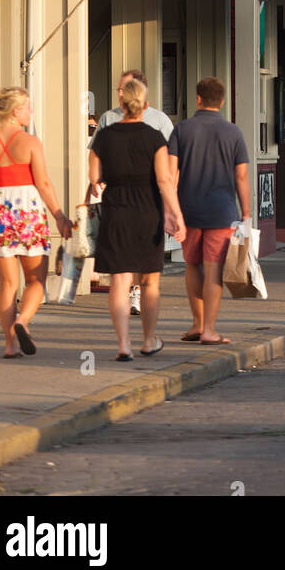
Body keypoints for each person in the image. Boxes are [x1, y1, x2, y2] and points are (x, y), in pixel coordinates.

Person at [0, 88, 72, 358]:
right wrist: (59, 215)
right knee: (36, 279)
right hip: (28, 210)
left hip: (0, 210)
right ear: (16, 111)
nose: (30, 112)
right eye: (28, 108)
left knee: (7, 284)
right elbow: (43, 183)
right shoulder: (31, 142)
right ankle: (23, 321)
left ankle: (10, 345)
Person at [89, 77, 186, 360]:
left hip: (116, 211)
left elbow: (94, 177)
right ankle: (148, 340)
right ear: (144, 105)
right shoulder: (154, 137)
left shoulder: (104, 136)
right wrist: (176, 214)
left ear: (121, 103)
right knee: (149, 281)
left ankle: (123, 345)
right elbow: (165, 180)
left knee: (119, 280)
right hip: (148, 212)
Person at [169, 77, 250, 346]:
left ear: (198, 99)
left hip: (188, 209)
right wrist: (247, 212)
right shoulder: (233, 133)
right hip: (222, 211)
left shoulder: (181, 130)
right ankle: (209, 330)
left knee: (191, 265)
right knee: (214, 270)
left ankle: (196, 322)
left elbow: (172, 174)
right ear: (222, 101)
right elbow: (241, 176)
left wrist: (171, 210)